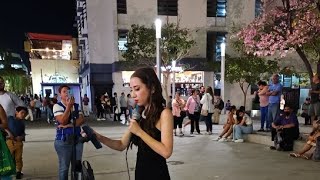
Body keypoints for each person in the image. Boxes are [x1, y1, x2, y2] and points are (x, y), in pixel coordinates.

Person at [93, 67, 173, 180]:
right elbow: (121, 144)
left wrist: (139, 132)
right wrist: (98, 137)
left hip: (158, 175)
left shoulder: (165, 114)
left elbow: (166, 152)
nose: (133, 94)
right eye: (131, 89)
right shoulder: (139, 113)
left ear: (152, 88)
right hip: (140, 173)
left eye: (137, 89)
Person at [53, 85, 85, 180]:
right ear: (60, 94)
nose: (67, 93)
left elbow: (82, 120)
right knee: (64, 168)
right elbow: (62, 121)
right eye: (64, 91)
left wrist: (69, 125)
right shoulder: (57, 106)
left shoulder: (76, 106)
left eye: (68, 91)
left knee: (77, 166)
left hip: (77, 139)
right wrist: (68, 107)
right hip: (64, 141)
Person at [5, 106, 28, 179]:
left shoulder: (22, 123)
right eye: (22, 113)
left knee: (18, 158)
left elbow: (23, 133)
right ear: (16, 112)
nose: (23, 115)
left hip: (18, 142)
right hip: (9, 141)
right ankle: (10, 171)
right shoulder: (10, 119)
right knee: (9, 157)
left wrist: (21, 137)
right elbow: (4, 127)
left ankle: (18, 171)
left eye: (25, 113)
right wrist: (9, 134)